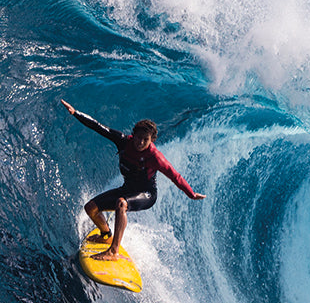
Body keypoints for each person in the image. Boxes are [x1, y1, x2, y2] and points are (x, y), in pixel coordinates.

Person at [61, 99, 206, 261]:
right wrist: (75, 113)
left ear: (152, 140)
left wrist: (191, 194)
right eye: (138, 138)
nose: (141, 142)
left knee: (121, 204)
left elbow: (175, 176)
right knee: (91, 208)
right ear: (133, 135)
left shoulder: (155, 157)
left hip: (147, 195)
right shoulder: (124, 142)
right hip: (127, 189)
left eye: (146, 139)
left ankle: (113, 251)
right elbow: (98, 127)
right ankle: (106, 234)